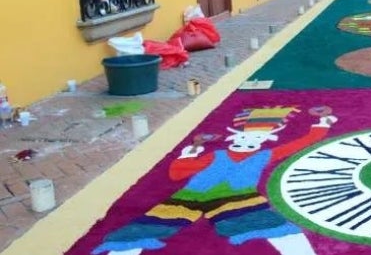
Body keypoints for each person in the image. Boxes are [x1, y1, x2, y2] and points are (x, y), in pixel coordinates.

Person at [93, 106, 339, 255]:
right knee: (136, 233)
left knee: (280, 229)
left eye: (256, 138)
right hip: (189, 198)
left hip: (237, 200)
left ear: (264, 140)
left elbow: (298, 144)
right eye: (244, 137)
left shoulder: (261, 154)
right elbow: (177, 173)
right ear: (236, 137)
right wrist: (191, 153)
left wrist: (321, 125)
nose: (247, 142)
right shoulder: (219, 155)